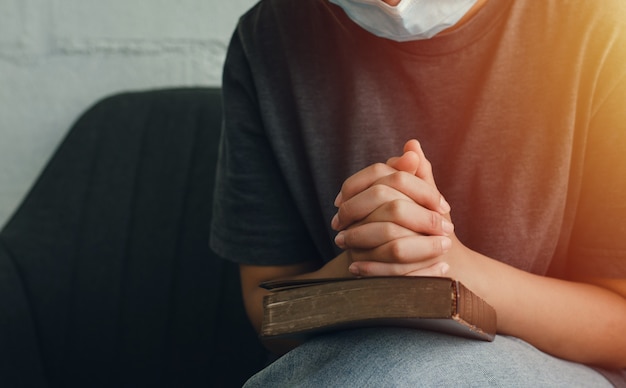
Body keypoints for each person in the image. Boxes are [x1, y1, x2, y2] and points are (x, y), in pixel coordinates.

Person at [210, 0, 626, 386]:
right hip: (344, 360)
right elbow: (265, 304)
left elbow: (618, 326)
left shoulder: (600, 25)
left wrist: (449, 266)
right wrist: (364, 266)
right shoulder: (266, 36)